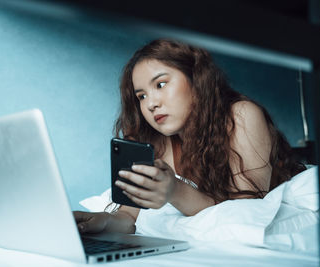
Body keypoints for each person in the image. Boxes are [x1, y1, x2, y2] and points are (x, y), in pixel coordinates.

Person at [73, 38, 306, 235]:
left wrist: (175, 191)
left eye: (161, 84)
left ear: (196, 79)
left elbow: (244, 213)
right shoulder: (152, 138)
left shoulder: (241, 115)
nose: (151, 104)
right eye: (141, 96)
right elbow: (127, 214)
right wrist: (104, 221)